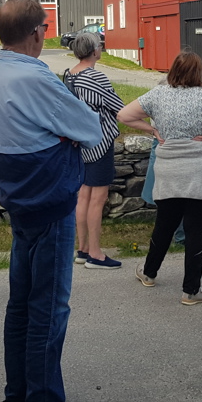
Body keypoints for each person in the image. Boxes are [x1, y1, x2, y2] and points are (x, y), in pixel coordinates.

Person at [0, 0, 103, 402]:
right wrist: (63, 133)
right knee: (48, 308)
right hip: (49, 199)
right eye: (45, 27)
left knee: (22, 305)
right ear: (36, 33)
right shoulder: (36, 76)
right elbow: (89, 127)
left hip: (19, 200)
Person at [119, 50, 202, 303]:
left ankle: (149, 272)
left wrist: (152, 130)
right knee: (196, 229)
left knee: (164, 224)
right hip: (201, 170)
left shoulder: (158, 94)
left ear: (173, 70)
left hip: (169, 170)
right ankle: (191, 290)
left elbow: (124, 115)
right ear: (198, 72)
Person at [63, 30, 124, 270]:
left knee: (84, 196)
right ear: (94, 51)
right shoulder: (95, 77)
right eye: (99, 45)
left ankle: (83, 249)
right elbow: (118, 106)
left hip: (79, 142)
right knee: (98, 198)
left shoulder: (69, 75)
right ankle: (96, 254)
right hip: (99, 142)